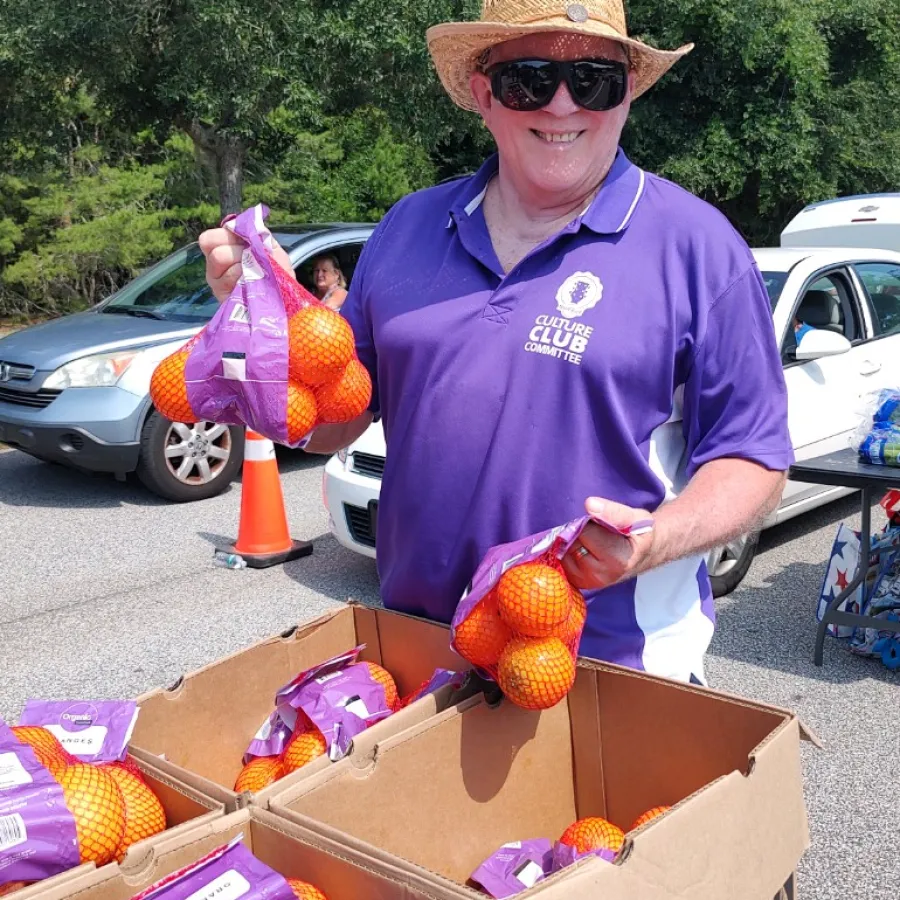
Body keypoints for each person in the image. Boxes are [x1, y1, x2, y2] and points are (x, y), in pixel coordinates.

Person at [199, 0, 794, 685]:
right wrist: (268, 323)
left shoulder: (699, 248)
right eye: (530, 80)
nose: (563, 105)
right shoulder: (409, 228)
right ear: (485, 94)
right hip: (422, 657)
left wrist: (656, 542)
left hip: (612, 667)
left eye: (594, 79)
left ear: (627, 92)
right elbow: (333, 424)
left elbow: (754, 461)